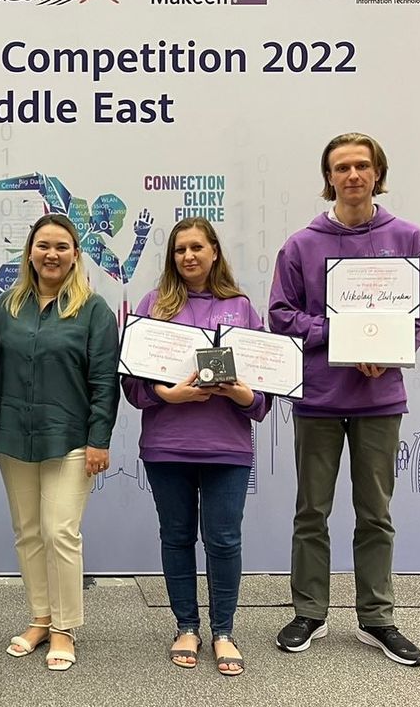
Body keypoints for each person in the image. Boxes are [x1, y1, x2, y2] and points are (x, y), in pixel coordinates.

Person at [269, 133, 420, 666]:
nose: (353, 175)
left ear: (377, 173)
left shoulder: (408, 238)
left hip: (379, 397)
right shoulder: (301, 245)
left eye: (362, 165)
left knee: (376, 513)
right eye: (341, 167)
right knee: (311, 511)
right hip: (319, 397)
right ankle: (309, 611)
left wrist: (390, 349)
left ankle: (377, 617)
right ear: (329, 178)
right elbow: (281, 315)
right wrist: (339, 335)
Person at [122, 217, 270, 676]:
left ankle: (224, 631)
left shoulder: (241, 308)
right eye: (180, 249)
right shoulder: (153, 306)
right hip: (167, 445)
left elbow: (263, 395)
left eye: (196, 247)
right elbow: (132, 385)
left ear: (214, 252)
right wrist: (167, 395)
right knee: (176, 537)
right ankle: (186, 626)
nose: (188, 256)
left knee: (224, 540)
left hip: (227, 447)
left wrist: (243, 394)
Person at [0, 214, 120, 672]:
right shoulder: (6, 307)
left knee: (60, 532)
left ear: (76, 255)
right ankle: (40, 618)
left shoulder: (94, 311)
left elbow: (104, 381)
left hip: (72, 439)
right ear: (30, 253)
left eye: (62, 246)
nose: (52, 254)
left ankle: (64, 627)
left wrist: (99, 439)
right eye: (43, 245)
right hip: (14, 435)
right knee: (28, 532)